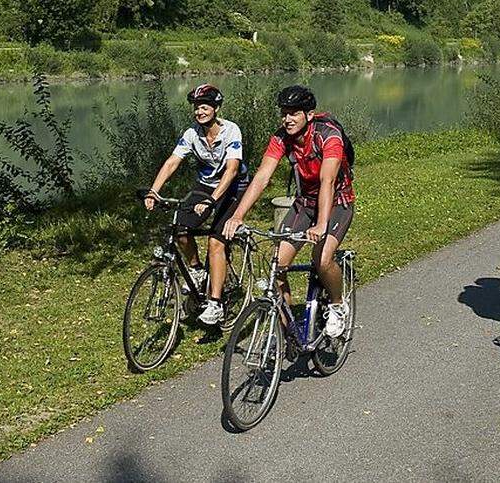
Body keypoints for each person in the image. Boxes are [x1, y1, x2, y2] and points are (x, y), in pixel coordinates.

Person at [223, 85, 355, 338]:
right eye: (284, 113)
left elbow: (327, 181)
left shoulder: (329, 137)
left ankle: (338, 305)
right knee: (277, 265)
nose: (287, 119)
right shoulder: (281, 137)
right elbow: (262, 177)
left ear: (309, 114)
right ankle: (287, 329)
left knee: (322, 259)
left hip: (338, 202)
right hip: (304, 203)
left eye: (294, 113)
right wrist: (237, 216)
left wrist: (320, 225)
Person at [144, 84, 248, 325]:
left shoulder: (231, 131)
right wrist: (154, 191)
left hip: (233, 187)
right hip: (205, 186)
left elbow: (232, 170)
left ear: (216, 108)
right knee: (179, 229)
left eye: (204, 107)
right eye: (196, 108)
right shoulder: (192, 133)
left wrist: (212, 201)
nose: (199, 112)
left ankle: (215, 304)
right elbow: (172, 162)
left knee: (216, 241)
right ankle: (197, 269)